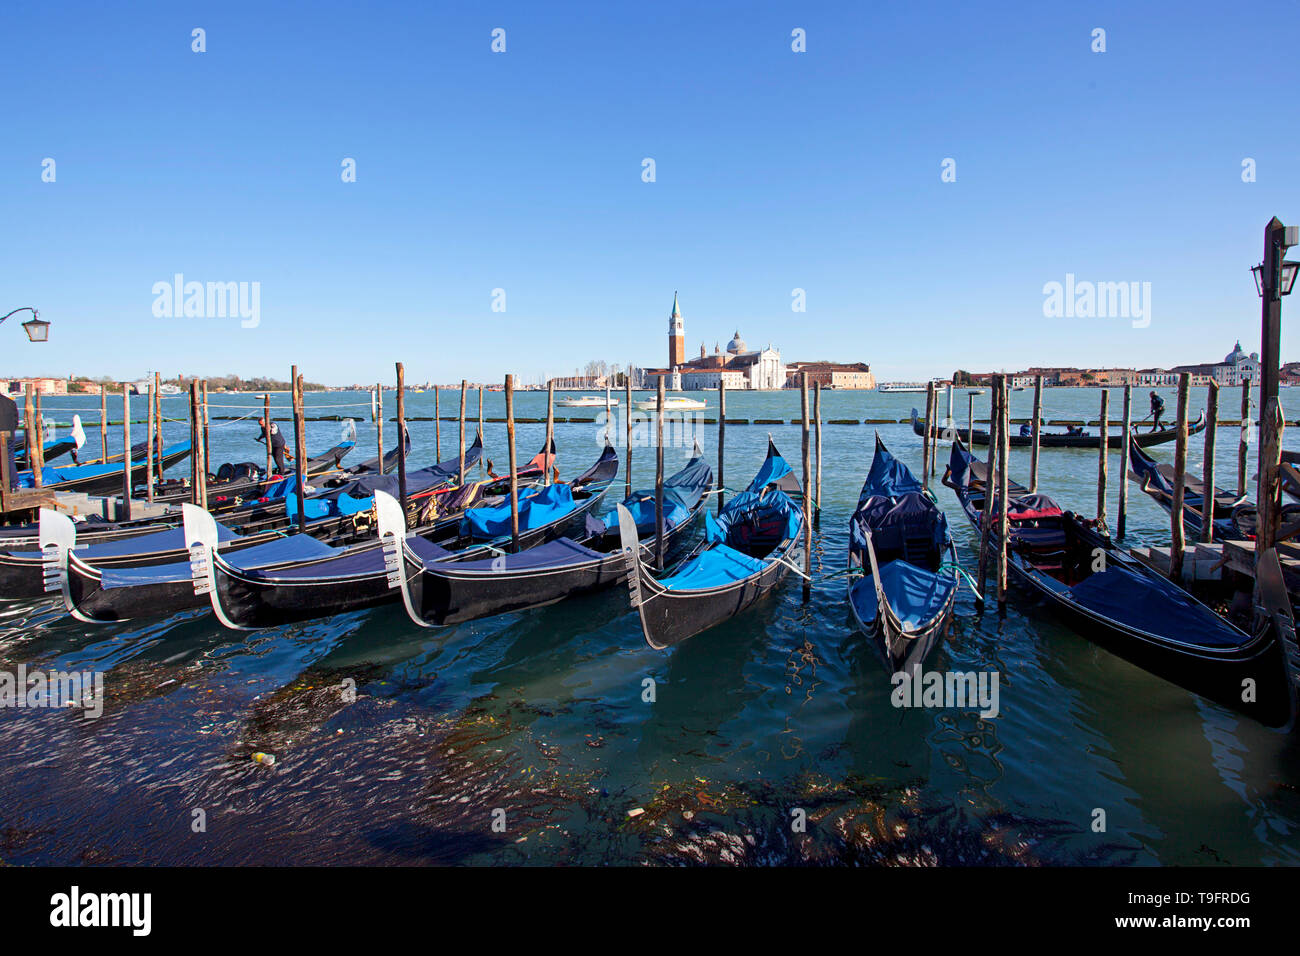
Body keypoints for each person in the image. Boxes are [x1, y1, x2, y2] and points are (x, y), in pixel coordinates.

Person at [0, 393, 17, 490]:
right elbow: (15, 422)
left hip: (2, 436)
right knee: (9, 459)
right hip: (9, 436)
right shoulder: (10, 402)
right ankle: (13, 484)